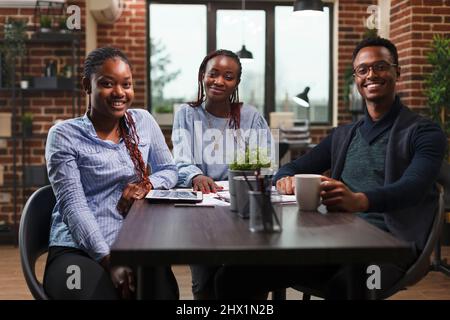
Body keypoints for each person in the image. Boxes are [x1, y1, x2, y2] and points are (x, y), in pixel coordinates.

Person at [214, 37, 447, 299]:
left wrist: (359, 201)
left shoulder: (424, 132)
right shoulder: (344, 135)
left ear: (397, 72)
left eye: (380, 66)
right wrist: (284, 179)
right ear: (356, 78)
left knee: (350, 283)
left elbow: (413, 188)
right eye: (363, 69)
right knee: (234, 276)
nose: (371, 75)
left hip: (389, 252)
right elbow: (292, 166)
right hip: (336, 242)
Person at [44, 47, 179, 300]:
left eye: (126, 84)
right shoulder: (64, 136)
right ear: (87, 85)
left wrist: (146, 185)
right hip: (78, 250)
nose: (119, 92)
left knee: (162, 294)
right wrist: (108, 260)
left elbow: (170, 171)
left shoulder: (143, 122)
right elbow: (74, 207)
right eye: (107, 84)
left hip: (135, 242)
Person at [171, 49, 272, 299]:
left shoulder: (250, 116)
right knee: (204, 285)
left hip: (242, 209)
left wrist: (251, 174)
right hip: (201, 212)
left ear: (236, 83)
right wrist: (195, 176)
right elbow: (180, 160)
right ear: (202, 76)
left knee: (246, 280)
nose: (219, 81)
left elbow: (265, 162)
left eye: (228, 76)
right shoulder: (186, 114)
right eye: (213, 74)